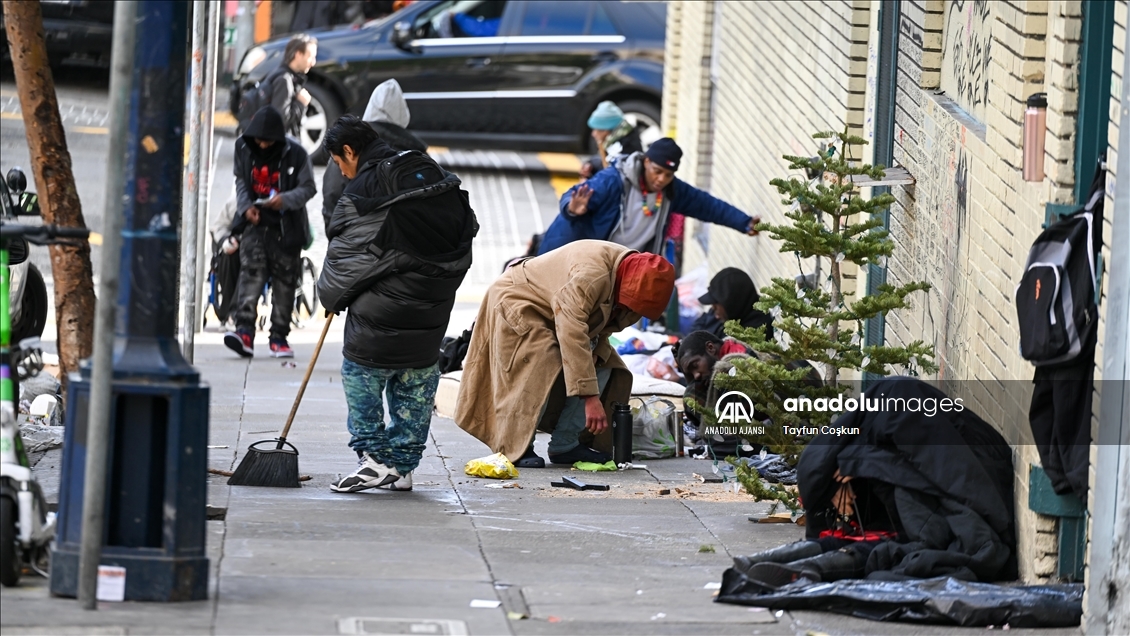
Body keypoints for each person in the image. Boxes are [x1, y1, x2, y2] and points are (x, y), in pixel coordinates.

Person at [318, 115, 477, 493]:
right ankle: (402, 466)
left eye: (339, 163)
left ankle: (374, 460)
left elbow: (341, 270)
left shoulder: (367, 193)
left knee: (361, 374)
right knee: (416, 380)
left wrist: (331, 298)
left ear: (349, 151)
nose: (341, 172)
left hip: (381, 318)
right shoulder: (430, 173)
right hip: (433, 309)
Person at [455, 241, 676, 468]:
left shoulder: (631, 275)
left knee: (606, 364)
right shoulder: (591, 276)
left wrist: (594, 359)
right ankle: (514, 446)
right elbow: (572, 331)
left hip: (556, 311)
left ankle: (566, 444)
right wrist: (590, 397)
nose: (632, 313)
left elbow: (601, 329)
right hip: (517, 300)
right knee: (538, 362)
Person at [538, 138, 761, 256]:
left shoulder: (672, 190)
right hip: (568, 249)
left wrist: (743, 222)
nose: (661, 179)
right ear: (646, 161)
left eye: (668, 174)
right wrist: (571, 208)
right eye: (657, 171)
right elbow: (573, 196)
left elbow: (706, 205)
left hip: (613, 264)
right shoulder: (614, 180)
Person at [224, 106, 316, 359]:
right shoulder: (243, 148)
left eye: (268, 141)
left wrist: (284, 200)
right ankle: (244, 332)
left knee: (285, 282)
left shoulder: (296, 153)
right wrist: (245, 209)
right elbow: (240, 181)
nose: (262, 145)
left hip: (286, 229)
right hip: (255, 224)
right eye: (258, 140)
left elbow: (308, 187)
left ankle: (279, 337)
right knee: (250, 275)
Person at [321, 79, 428, 230]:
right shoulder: (417, 155)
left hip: (353, 242)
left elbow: (332, 197)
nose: (343, 172)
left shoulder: (346, 151)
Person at [691, 267, 774, 341]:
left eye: (715, 307)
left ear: (732, 306)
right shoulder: (721, 312)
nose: (714, 313)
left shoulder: (753, 334)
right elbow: (698, 326)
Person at [266, 34, 318, 139]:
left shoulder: (280, 74)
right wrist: (301, 103)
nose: (313, 63)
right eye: (310, 57)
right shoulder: (284, 80)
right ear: (298, 54)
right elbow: (281, 122)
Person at [580, 101, 644, 180]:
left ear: (606, 130)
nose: (593, 134)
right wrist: (591, 164)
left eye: (597, 130)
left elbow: (610, 172)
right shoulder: (616, 141)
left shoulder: (624, 147)